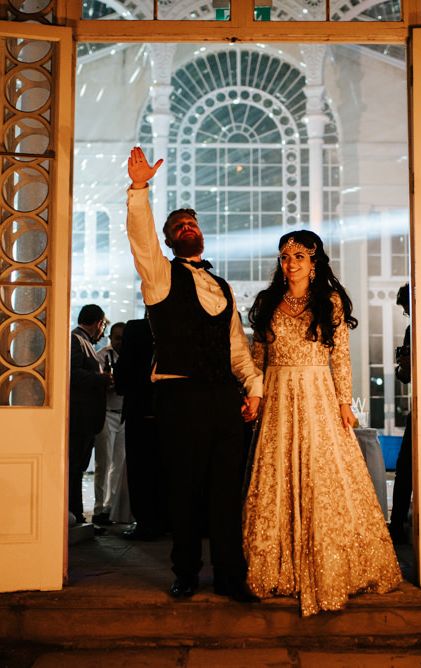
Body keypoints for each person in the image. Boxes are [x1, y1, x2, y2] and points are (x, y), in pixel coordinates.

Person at [125, 147, 263, 602]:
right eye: (178, 227)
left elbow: (237, 351)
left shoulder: (222, 287)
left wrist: (254, 390)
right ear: (168, 241)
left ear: (202, 235)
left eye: (192, 224)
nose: (187, 229)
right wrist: (140, 189)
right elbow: (141, 238)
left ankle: (230, 577)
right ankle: (184, 572)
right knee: (183, 489)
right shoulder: (159, 277)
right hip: (178, 398)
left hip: (223, 399)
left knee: (226, 492)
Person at [244, 230, 402, 616]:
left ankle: (331, 566)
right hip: (279, 398)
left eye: (299, 255)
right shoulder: (268, 302)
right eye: (285, 256)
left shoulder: (328, 302)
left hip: (317, 395)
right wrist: (256, 396)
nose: (290, 262)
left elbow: (340, 358)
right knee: (278, 476)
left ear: (314, 263)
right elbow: (258, 358)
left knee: (322, 476)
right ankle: (281, 569)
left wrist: (345, 402)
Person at [114, 315, 167, 541]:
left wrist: (123, 385)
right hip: (172, 409)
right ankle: (168, 520)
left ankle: (146, 523)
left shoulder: (137, 328)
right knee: (168, 468)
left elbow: (124, 371)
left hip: (139, 407)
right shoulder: (178, 324)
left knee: (140, 469)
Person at [69, 304, 112, 527]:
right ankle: (74, 515)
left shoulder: (82, 341)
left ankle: (76, 515)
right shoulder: (76, 340)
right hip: (80, 416)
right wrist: (102, 379)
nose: (102, 331)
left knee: (78, 468)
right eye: (103, 325)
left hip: (86, 417)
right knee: (75, 468)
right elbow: (73, 374)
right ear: (98, 323)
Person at [92, 321, 131, 526]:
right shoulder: (101, 356)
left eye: (124, 339)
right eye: (117, 338)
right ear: (110, 338)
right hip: (106, 412)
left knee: (118, 464)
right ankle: (99, 509)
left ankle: (112, 508)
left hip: (124, 414)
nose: (121, 343)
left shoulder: (131, 357)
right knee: (103, 463)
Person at [389, 283, 412, 544]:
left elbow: (405, 376)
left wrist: (402, 367)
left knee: (406, 470)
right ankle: (399, 525)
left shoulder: (413, 330)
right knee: (405, 469)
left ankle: (398, 527)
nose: (407, 313)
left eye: (406, 309)